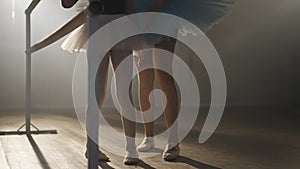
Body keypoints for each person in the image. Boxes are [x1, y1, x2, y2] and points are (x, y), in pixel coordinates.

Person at [129, 0, 234, 163]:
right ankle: (149, 137)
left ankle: (173, 141)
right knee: (144, 74)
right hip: (139, 11)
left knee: (163, 73)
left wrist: (156, 7)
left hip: (164, 10)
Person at [61, 0, 136, 163]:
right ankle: (91, 146)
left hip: (120, 23)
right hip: (96, 23)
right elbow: (66, 3)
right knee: (96, 92)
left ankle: (131, 148)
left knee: (125, 91)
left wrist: (134, 27)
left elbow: (129, 4)